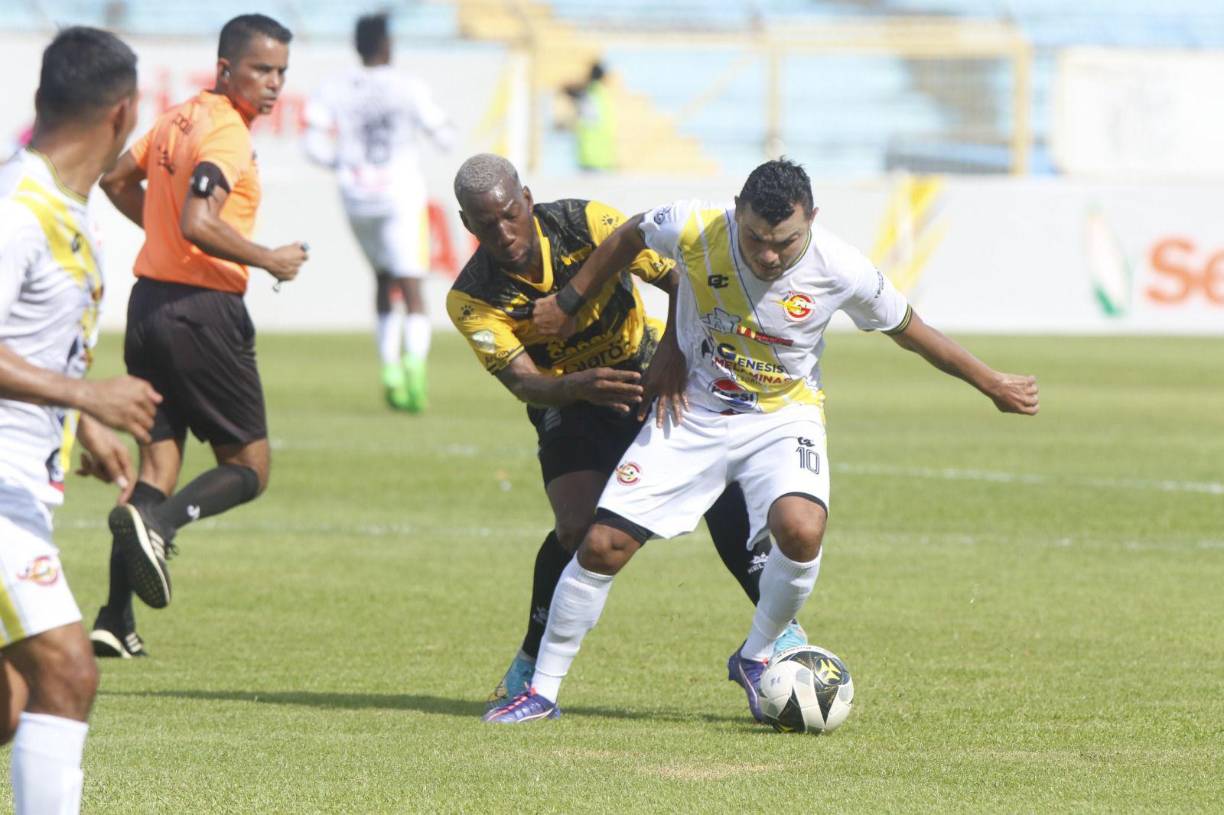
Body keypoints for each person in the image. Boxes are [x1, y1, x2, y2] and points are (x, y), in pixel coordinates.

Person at [484, 158, 1040, 723]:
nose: (768, 255)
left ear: (812, 219)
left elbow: (911, 331)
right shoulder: (696, 225)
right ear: (737, 212)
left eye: (784, 241)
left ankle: (755, 654)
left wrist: (992, 383)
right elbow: (630, 234)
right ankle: (542, 692)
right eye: (754, 238)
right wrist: (572, 301)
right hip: (693, 412)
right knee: (602, 545)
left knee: (801, 529)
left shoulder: (843, 269)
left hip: (783, 416)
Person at [447, 154, 805, 708]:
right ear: (466, 223)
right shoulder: (471, 296)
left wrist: (672, 352)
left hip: (647, 372)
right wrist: (578, 386)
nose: (503, 233)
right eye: (485, 224)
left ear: (526, 199)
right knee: (575, 528)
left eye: (509, 215)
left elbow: (679, 276)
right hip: (569, 399)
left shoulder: (587, 222)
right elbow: (523, 382)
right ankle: (531, 660)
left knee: (719, 487)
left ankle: (779, 633)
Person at [89, 14, 308, 658]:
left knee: (157, 466)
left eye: (281, 72)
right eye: (261, 70)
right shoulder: (227, 133)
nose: (273, 83)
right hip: (203, 314)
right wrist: (267, 259)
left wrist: (162, 233)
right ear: (225, 69)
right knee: (248, 468)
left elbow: (115, 179)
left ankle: (113, 618)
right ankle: (160, 526)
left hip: (149, 308)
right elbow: (197, 219)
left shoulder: (177, 118)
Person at [0, 27, 161, 812]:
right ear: (123, 112)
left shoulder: (64, 206)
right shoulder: (18, 207)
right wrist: (89, 396)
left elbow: (33, 340)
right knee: (68, 671)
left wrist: (79, 419)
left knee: (11, 702)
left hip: (26, 486)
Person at [305, 12, 454, 412]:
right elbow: (444, 136)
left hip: (356, 194)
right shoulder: (408, 87)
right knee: (412, 284)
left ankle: (389, 367)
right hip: (399, 193)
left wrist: (342, 163)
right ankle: (414, 368)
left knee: (382, 279)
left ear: (356, 46)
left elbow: (312, 144)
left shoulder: (335, 87)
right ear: (388, 45)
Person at [563, 62, 616, 173]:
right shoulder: (602, 94)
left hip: (590, 159)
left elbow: (568, 90)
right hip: (605, 160)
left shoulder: (588, 95)